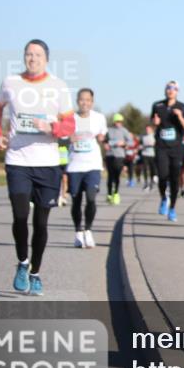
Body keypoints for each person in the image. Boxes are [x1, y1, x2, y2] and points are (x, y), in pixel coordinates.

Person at [0, 39, 75, 296]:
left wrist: (53, 128)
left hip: (47, 164)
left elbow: (70, 125)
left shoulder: (58, 86)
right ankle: (22, 262)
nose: (32, 58)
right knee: (19, 216)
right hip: (17, 160)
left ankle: (35, 272)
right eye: (28, 54)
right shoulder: (10, 83)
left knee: (41, 222)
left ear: (46, 59)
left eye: (37, 55)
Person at [66, 88, 108, 248]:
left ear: (92, 102)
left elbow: (103, 135)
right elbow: (60, 136)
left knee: (91, 198)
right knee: (76, 200)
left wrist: (103, 138)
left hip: (93, 164)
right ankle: (78, 232)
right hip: (75, 164)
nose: (85, 103)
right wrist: (68, 138)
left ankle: (88, 231)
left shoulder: (99, 118)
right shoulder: (70, 118)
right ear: (77, 101)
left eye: (88, 100)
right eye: (82, 99)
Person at [151, 81, 184, 222]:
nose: (170, 90)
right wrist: (155, 123)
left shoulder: (183, 107)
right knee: (162, 176)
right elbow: (154, 122)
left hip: (176, 148)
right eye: (168, 88)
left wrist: (180, 117)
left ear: (177, 91)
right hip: (161, 147)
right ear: (165, 90)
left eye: (173, 88)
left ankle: (172, 208)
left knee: (174, 179)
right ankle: (163, 198)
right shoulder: (157, 106)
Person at [103, 113, 133, 205]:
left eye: (119, 121)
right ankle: (109, 194)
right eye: (116, 121)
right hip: (109, 155)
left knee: (116, 175)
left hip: (120, 156)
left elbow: (131, 142)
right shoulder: (109, 130)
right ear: (114, 122)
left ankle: (116, 193)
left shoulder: (124, 131)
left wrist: (123, 144)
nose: (118, 123)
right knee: (110, 176)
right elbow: (105, 140)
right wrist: (105, 145)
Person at [140, 125, 157, 190]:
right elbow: (140, 144)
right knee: (145, 169)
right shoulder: (143, 136)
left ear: (151, 130)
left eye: (148, 129)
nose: (147, 130)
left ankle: (151, 182)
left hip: (152, 154)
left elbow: (157, 143)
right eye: (146, 129)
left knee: (152, 169)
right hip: (145, 154)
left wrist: (153, 144)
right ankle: (146, 183)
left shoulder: (154, 136)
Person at [58, 138, 70, 206]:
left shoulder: (68, 138)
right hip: (56, 162)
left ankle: (63, 196)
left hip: (66, 162)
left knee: (65, 179)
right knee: (57, 180)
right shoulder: (56, 137)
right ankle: (58, 196)